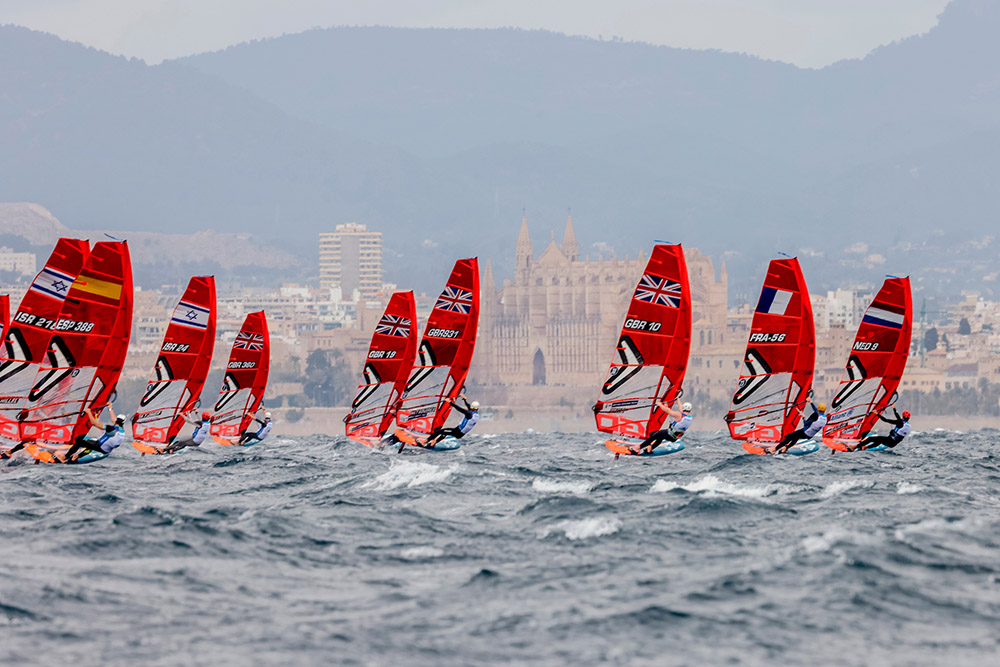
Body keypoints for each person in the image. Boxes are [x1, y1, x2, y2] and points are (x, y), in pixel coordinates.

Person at [57, 404, 126, 463]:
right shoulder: (122, 431)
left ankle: (65, 457)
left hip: (100, 447)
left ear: (116, 420)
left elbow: (94, 423)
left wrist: (89, 412)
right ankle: (77, 456)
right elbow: (113, 420)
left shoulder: (111, 428)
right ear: (123, 422)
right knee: (91, 445)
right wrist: (110, 408)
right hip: (106, 450)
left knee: (79, 441)